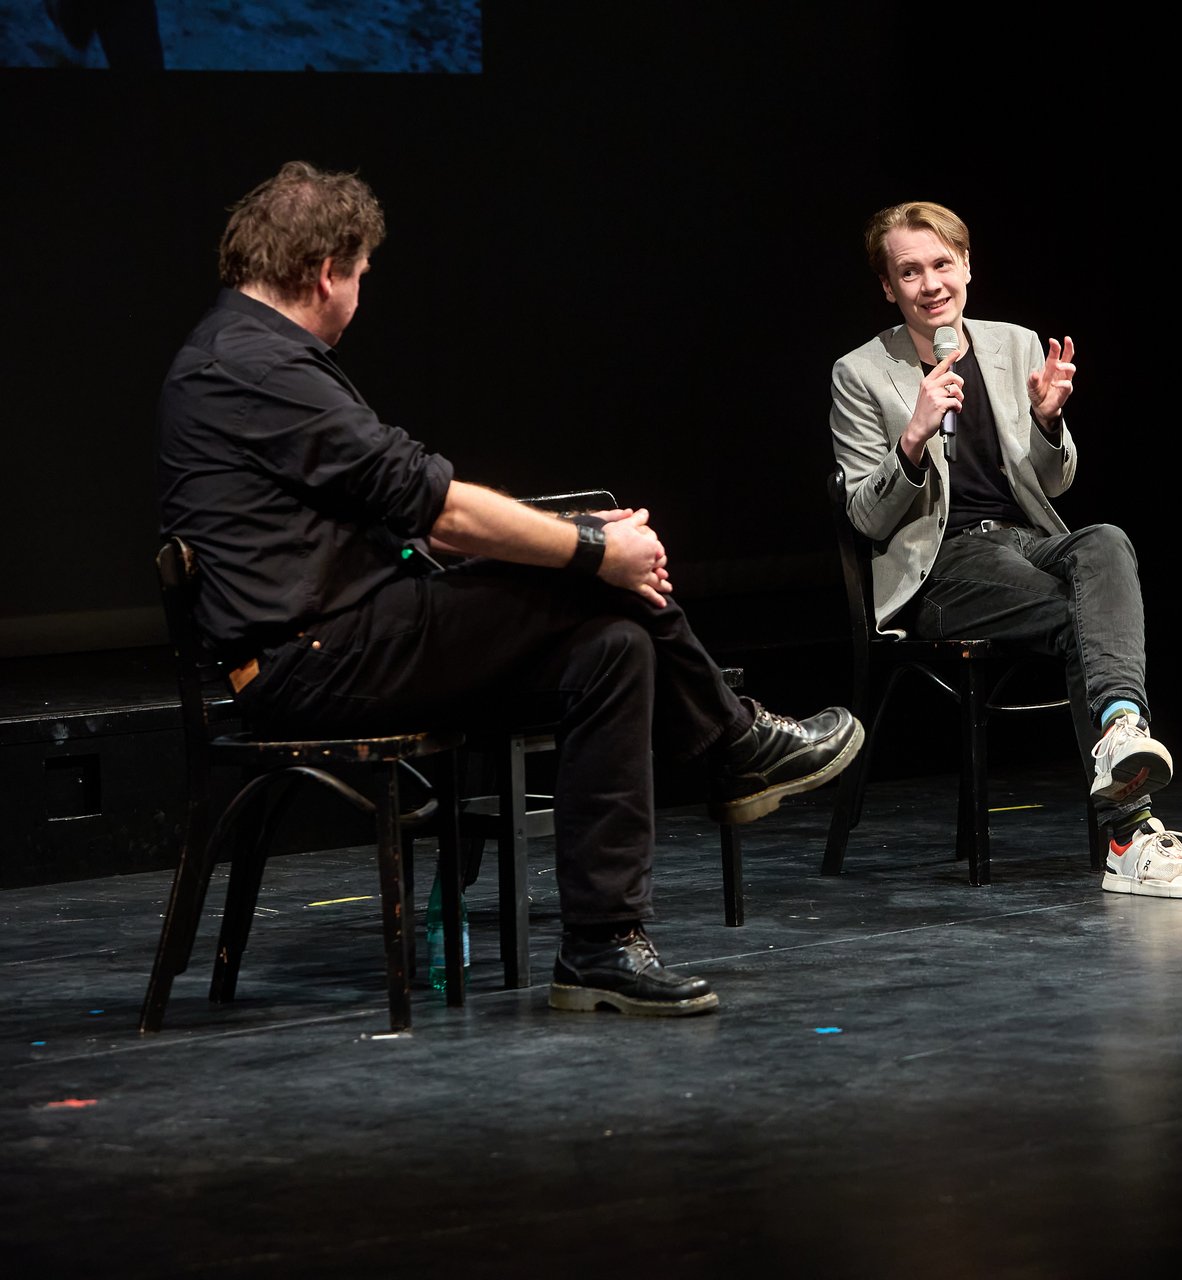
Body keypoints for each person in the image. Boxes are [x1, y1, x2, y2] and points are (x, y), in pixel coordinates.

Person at [156, 160, 863, 1017]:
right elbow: (434, 510)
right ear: (325, 272)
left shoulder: (254, 354)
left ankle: (600, 948)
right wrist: (595, 549)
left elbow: (403, 506)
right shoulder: (255, 368)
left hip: (346, 634)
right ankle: (733, 744)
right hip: (311, 658)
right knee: (593, 580)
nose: (359, 297)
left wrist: (587, 538)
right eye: (361, 278)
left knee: (613, 646)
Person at [829, 200, 1182, 900]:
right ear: (888, 287)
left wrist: (1049, 422)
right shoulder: (861, 373)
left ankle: (1119, 728)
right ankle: (1130, 836)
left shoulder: (1014, 345)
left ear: (967, 268)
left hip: (1027, 541)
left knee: (1106, 540)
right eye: (910, 272)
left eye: (941, 265)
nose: (931, 284)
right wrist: (914, 439)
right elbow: (866, 516)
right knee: (1091, 622)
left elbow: (1054, 481)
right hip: (942, 567)